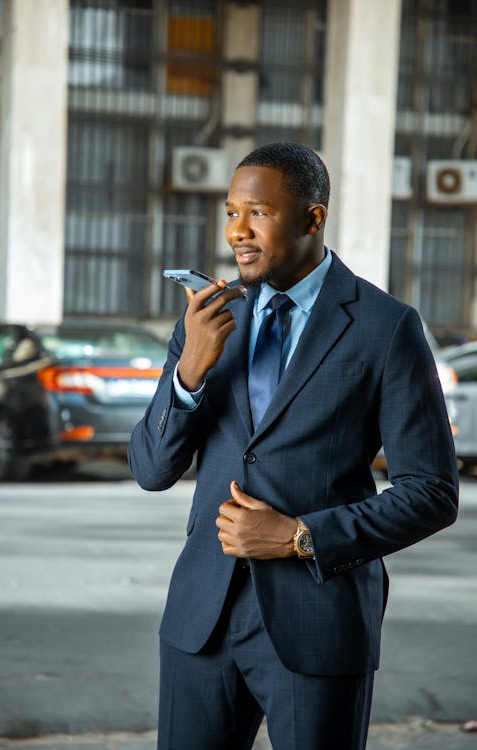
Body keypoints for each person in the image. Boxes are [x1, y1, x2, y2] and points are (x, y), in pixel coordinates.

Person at [128, 142, 458, 750]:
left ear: (313, 217)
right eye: (231, 213)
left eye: (258, 212)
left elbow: (432, 493)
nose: (238, 232)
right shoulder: (207, 321)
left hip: (320, 622)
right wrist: (189, 373)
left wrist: (300, 536)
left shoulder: (386, 328)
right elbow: (151, 469)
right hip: (203, 620)